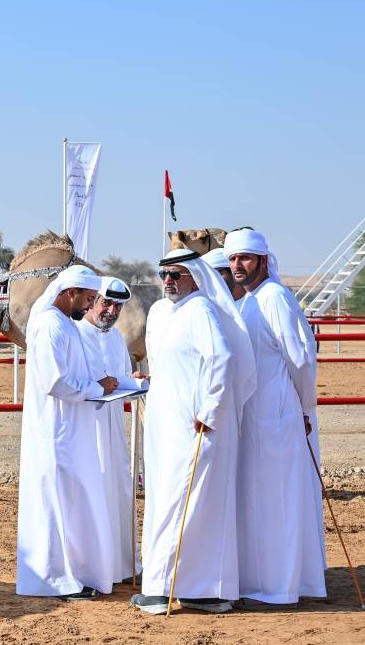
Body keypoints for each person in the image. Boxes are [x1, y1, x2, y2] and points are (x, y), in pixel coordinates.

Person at [131, 249, 255, 615]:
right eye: (164, 273)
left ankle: (161, 589)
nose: (168, 280)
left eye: (176, 274)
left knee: (181, 503)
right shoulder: (162, 312)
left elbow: (223, 359)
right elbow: (178, 365)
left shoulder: (201, 309)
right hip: (165, 426)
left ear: (196, 277)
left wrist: (209, 411)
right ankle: (204, 591)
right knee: (182, 504)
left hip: (194, 428)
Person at [224, 229, 326, 607]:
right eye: (234, 259)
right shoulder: (249, 301)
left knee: (280, 500)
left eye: (245, 258)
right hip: (252, 418)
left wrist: (304, 408)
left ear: (263, 261)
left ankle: (283, 586)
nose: (238, 265)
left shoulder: (275, 298)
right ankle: (261, 581)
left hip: (280, 416)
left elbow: (301, 360)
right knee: (258, 500)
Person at [16, 265, 120, 601]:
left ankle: (72, 574)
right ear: (70, 292)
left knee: (70, 502)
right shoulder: (49, 324)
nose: (90, 307)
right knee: (56, 503)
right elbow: (56, 381)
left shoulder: (64, 323)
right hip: (56, 431)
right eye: (89, 299)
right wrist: (95, 388)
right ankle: (55, 579)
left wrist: (109, 384)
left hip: (71, 429)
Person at [75, 276, 146, 585]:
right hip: (86, 428)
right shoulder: (75, 334)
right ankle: (92, 567)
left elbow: (118, 379)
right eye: (107, 303)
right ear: (92, 301)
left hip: (114, 428)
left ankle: (119, 565)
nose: (112, 311)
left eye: (118, 306)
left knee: (117, 490)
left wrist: (136, 380)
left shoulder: (116, 338)